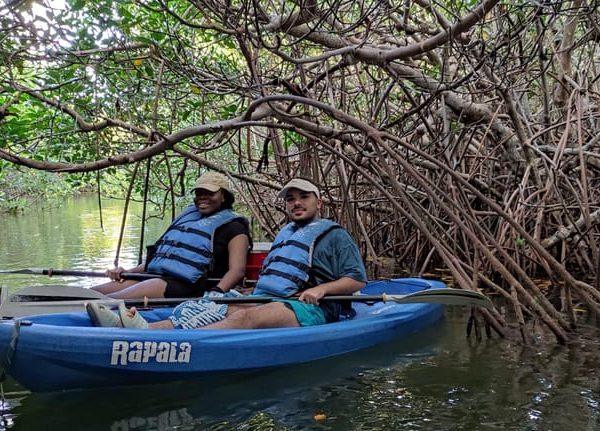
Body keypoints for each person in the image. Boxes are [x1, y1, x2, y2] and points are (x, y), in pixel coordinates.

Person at [87, 177, 367, 329]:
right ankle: (143, 332)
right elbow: (276, 278)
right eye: (290, 199)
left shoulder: (335, 236)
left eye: (303, 197)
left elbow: (357, 280)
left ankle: (175, 346)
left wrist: (321, 290)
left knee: (247, 318)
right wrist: (246, 293)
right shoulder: (287, 233)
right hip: (274, 299)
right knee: (207, 307)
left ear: (318, 201)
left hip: (314, 310)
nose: (296, 203)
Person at [89, 172, 251, 301]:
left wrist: (216, 294)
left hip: (189, 285)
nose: (203, 197)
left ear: (224, 196)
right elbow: (163, 259)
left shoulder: (234, 228)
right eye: (199, 192)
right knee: (92, 293)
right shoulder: (190, 218)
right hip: (157, 277)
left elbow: (237, 271)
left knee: (108, 300)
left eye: (210, 193)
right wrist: (127, 272)